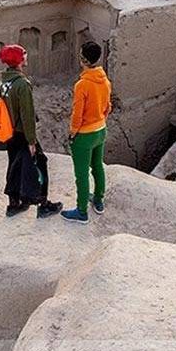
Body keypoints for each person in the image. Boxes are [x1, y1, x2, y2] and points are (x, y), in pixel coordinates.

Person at [0, 44, 62, 219]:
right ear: (19, 60)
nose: (26, 56)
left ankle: (14, 204)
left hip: (10, 133)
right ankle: (43, 204)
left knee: (14, 166)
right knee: (39, 164)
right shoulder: (22, 84)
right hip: (22, 133)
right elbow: (27, 115)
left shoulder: (4, 81)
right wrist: (31, 141)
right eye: (24, 54)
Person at [61, 41, 112, 225]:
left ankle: (81, 211)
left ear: (83, 59)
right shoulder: (105, 80)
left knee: (81, 174)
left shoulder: (82, 84)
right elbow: (108, 107)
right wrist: (100, 121)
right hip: (101, 130)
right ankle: (98, 200)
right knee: (97, 166)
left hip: (85, 135)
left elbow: (77, 114)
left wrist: (73, 133)